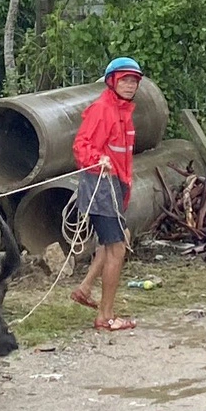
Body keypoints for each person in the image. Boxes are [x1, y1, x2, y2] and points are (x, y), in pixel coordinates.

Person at [68, 57, 142, 331]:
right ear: (112, 81)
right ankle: (106, 317)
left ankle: (85, 289)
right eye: (125, 79)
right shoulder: (103, 109)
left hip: (114, 186)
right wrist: (98, 158)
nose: (130, 84)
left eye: (134, 80)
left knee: (119, 239)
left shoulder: (123, 111)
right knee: (117, 248)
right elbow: (81, 146)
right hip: (101, 186)